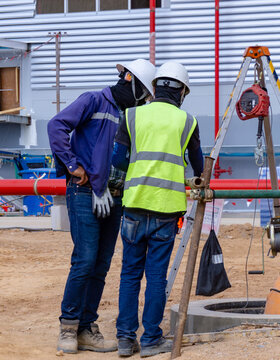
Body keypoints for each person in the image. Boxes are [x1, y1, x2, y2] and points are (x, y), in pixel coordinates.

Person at [47, 59, 156, 354]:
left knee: (101, 265)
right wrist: (73, 166)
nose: (145, 99)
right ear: (128, 79)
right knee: (84, 260)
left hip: (115, 197)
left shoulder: (131, 115)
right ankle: (68, 327)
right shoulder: (93, 100)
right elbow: (56, 125)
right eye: (144, 92)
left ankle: (86, 327)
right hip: (84, 193)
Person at [112, 61, 203, 358]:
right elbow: (199, 166)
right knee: (156, 277)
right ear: (183, 92)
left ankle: (125, 340)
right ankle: (151, 340)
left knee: (129, 274)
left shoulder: (131, 116)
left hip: (135, 205)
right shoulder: (187, 121)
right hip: (167, 210)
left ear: (155, 87)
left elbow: (119, 161)